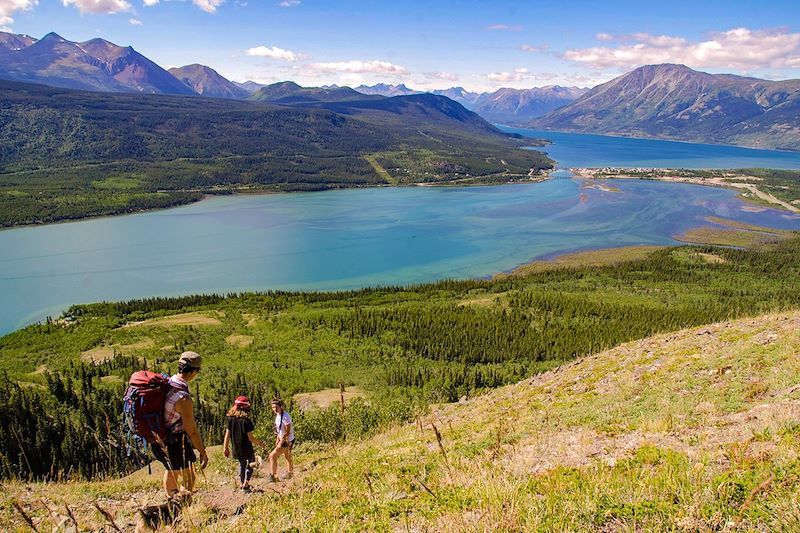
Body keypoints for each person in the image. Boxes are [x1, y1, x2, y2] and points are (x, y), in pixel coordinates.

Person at [151, 351, 209, 500]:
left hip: (160, 436)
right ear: (194, 371)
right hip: (175, 441)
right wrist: (202, 451)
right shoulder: (183, 398)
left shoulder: (167, 383)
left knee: (172, 471)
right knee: (189, 476)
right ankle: (179, 504)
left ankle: (173, 500)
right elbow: (192, 431)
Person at [223, 395, 267, 492]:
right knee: (251, 464)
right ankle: (246, 483)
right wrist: (260, 443)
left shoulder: (230, 419)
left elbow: (227, 435)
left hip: (236, 448)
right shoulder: (246, 421)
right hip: (247, 448)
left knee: (241, 465)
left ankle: (242, 484)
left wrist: (225, 448)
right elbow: (250, 438)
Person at [268, 398, 295, 482]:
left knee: (272, 456)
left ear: (281, 406)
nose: (275, 409)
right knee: (287, 456)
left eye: (276, 407)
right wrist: (277, 439)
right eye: (273, 407)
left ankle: (273, 476)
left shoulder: (286, 416)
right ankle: (290, 473)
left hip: (287, 440)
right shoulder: (278, 415)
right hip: (283, 439)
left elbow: (287, 432)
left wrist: (280, 442)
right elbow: (279, 429)